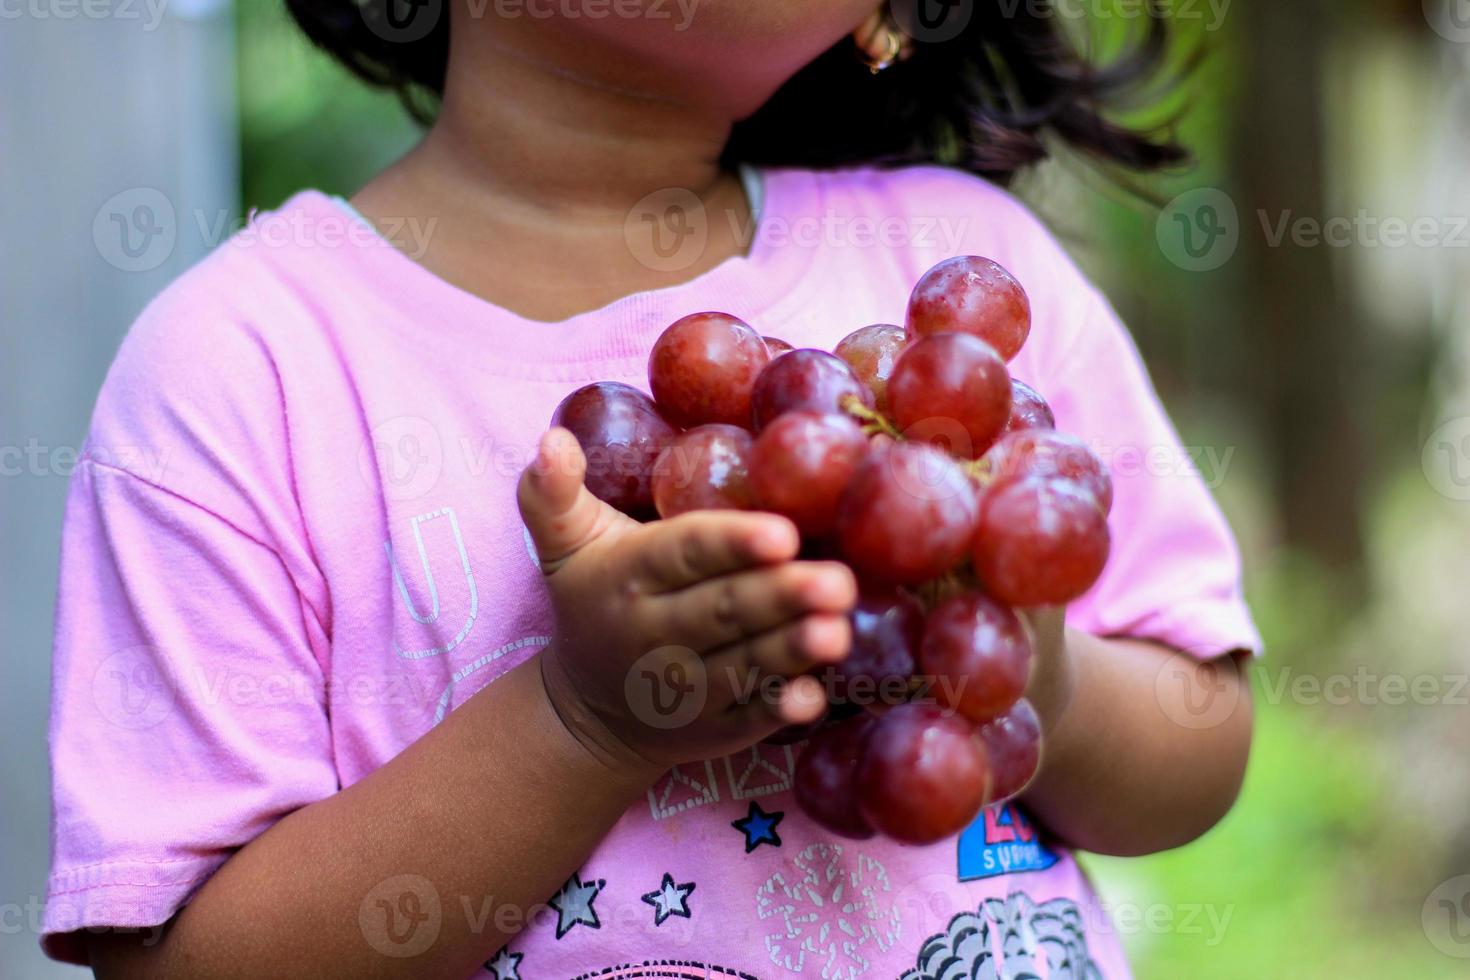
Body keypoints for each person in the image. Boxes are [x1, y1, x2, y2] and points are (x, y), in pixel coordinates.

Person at [44, 2, 1260, 976]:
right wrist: (583, 722)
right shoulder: (239, 364)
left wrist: (1032, 665)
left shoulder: (969, 292)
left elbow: (1203, 740)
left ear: (885, 19)